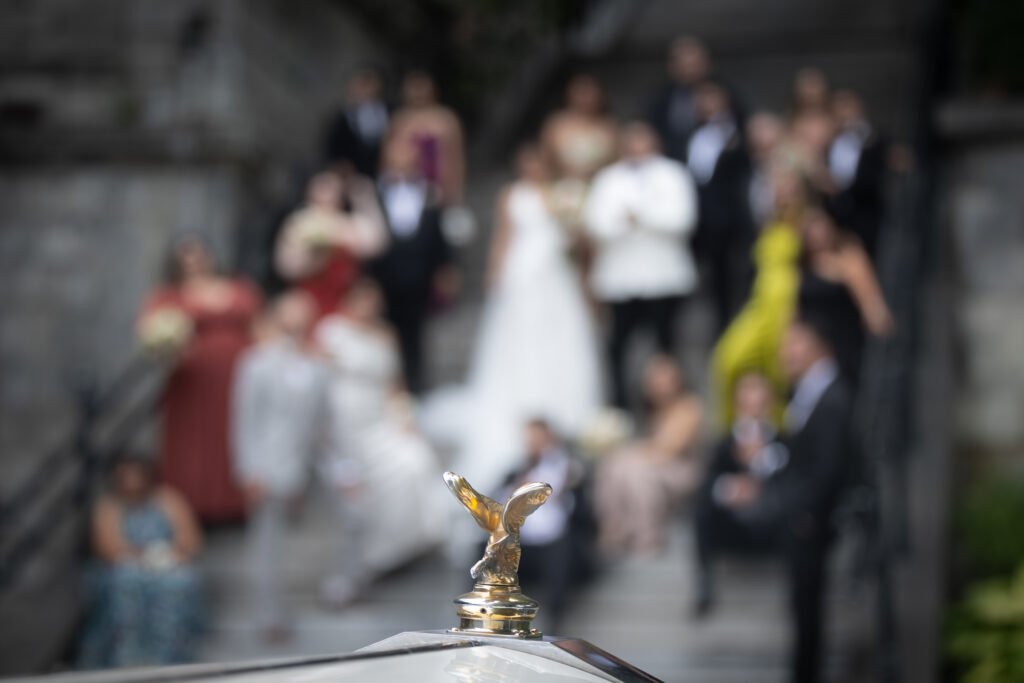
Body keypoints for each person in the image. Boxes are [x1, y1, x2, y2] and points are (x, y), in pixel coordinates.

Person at [449, 143, 602, 498]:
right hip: (522, 273)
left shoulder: (562, 193)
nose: (531, 166)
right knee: (520, 339)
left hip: (554, 275)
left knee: (558, 338)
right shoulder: (511, 194)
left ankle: (562, 405)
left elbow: (577, 240)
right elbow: (503, 236)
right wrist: (495, 272)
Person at [712, 317, 854, 683]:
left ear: (818, 346)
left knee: (808, 610)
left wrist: (805, 514)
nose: (786, 355)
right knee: (802, 610)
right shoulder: (806, 392)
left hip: (808, 521)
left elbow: (827, 466)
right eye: (784, 347)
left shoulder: (831, 394)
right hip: (796, 517)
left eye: (795, 346)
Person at [314, 277, 447, 579]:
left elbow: (394, 385)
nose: (367, 307)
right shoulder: (332, 330)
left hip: (379, 418)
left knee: (415, 459)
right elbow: (317, 370)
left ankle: (403, 543)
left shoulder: (386, 335)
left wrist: (405, 419)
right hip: (343, 420)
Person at [138, 236, 262, 522]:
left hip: (239, 378)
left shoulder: (238, 287)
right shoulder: (167, 296)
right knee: (195, 444)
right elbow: (151, 334)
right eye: (185, 258)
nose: (193, 263)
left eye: (197, 255)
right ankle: (193, 507)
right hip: (193, 383)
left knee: (237, 436)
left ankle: (238, 504)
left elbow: (259, 326)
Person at [231, 290, 329, 639]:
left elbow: (320, 423)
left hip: (304, 464)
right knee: (266, 542)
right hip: (267, 466)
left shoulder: (316, 364)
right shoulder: (256, 361)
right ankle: (267, 615)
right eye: (292, 314)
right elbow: (245, 420)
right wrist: (249, 470)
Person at [584, 121, 699, 409]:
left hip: (664, 278)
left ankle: (668, 406)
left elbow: (683, 219)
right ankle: (619, 404)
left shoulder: (674, 174)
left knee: (665, 346)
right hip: (620, 280)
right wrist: (626, 222)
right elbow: (595, 223)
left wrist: (642, 217)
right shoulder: (607, 179)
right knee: (618, 346)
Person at [78, 455, 203, 668]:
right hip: (126, 568)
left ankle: (169, 657)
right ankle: (127, 657)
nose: (132, 481)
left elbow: (191, 542)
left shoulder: (168, 500)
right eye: (126, 476)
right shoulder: (109, 506)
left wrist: (165, 555)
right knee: (126, 582)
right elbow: (107, 549)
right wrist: (141, 555)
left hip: (165, 567)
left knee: (178, 582)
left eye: (136, 475)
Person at [710, 161, 807, 426]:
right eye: (780, 186)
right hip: (761, 301)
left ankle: (781, 429)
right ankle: (734, 429)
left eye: (790, 187)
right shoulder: (768, 222)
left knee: (779, 371)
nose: (784, 192)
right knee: (728, 358)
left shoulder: (807, 222)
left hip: (786, 300)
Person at [370, 138, 459, 394]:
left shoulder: (430, 193)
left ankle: (415, 388)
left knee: (416, 336)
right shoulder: (375, 191)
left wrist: (445, 268)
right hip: (384, 275)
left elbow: (440, 235)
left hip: (419, 274)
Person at [692, 371, 783, 616]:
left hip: (770, 527)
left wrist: (761, 474)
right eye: (747, 393)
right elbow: (709, 482)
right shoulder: (724, 444)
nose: (753, 401)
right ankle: (705, 588)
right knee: (701, 506)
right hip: (732, 527)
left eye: (759, 393)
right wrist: (731, 489)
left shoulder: (784, 442)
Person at [594, 355, 703, 555]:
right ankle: (615, 530)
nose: (657, 383)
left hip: (683, 471)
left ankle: (649, 535)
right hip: (655, 466)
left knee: (637, 471)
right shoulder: (650, 409)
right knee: (614, 465)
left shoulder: (689, 406)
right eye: (653, 378)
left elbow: (670, 449)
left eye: (663, 377)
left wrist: (632, 453)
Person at [500, 418, 591, 634]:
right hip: (522, 541)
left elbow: (578, 509)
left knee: (560, 555)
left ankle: (555, 621)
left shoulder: (568, 467)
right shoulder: (516, 470)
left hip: (556, 540)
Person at [797, 206, 894, 385]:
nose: (816, 233)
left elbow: (870, 299)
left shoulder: (849, 258)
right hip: (811, 348)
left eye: (820, 224)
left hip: (842, 344)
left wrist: (877, 317)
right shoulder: (801, 264)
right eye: (811, 227)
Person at [275, 170, 387, 321]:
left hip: (345, 305)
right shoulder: (298, 223)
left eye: (332, 191)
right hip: (307, 306)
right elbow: (286, 268)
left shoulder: (347, 223)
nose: (327, 196)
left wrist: (365, 200)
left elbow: (377, 245)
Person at [686, 80, 752, 332]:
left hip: (731, 221)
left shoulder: (737, 131)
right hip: (700, 219)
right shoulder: (692, 133)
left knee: (732, 279)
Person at [826, 89, 887, 260]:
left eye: (847, 107)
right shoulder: (830, 142)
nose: (843, 113)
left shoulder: (872, 138)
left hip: (865, 213)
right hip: (836, 214)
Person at [388, 70, 465, 205]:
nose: (418, 93)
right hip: (406, 186)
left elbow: (456, 156)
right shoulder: (399, 119)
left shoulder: (446, 119)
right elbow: (388, 155)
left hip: (439, 187)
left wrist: (456, 190)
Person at [541, 74, 619, 182]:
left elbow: (617, 160)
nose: (585, 98)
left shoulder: (609, 125)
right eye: (581, 93)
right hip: (565, 185)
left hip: (601, 184)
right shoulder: (556, 124)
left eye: (589, 93)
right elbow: (546, 160)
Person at [647, 36, 712, 163]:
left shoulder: (723, 95)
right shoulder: (661, 97)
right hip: (672, 164)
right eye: (682, 64)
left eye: (692, 64)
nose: (687, 70)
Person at [324, 66, 391, 178]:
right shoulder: (342, 116)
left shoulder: (388, 112)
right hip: (348, 174)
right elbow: (332, 146)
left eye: (368, 84)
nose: (364, 90)